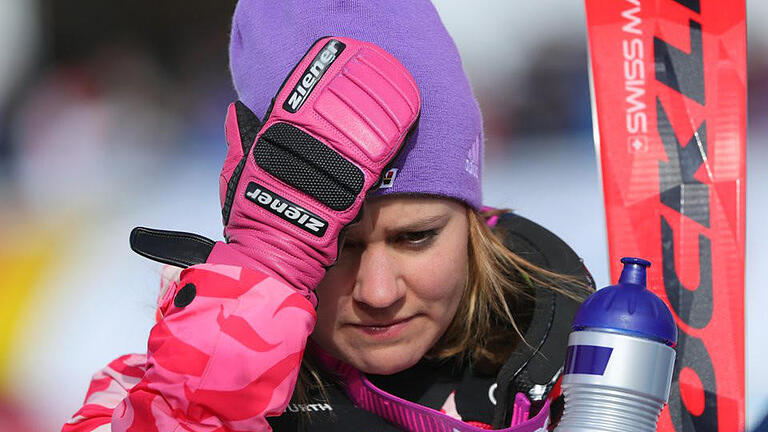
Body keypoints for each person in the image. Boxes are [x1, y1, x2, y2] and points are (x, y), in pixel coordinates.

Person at [63, 1, 592, 431]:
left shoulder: (596, 374)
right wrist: (222, 369)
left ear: (470, 223)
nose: (379, 293)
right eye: (333, 246)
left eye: (416, 238)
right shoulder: (154, 394)